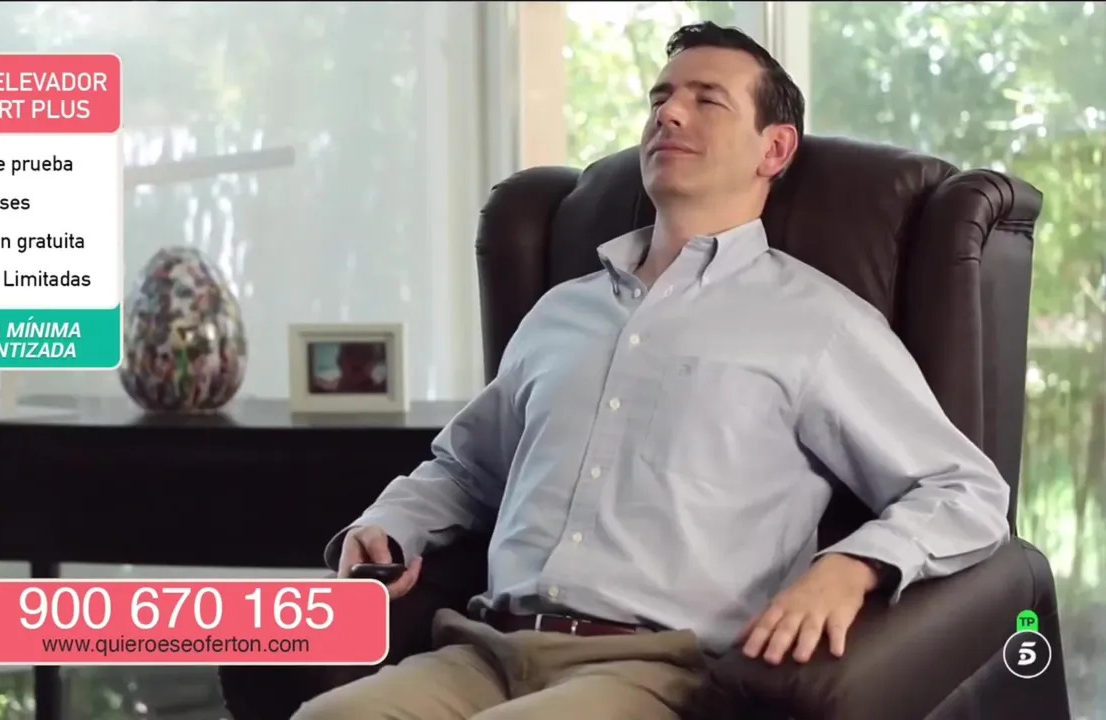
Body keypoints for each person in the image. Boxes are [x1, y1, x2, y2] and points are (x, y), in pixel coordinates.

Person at [294, 21, 1010, 720]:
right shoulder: (560, 311)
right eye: (660, 97)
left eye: (707, 99)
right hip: (481, 653)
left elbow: (965, 489)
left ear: (775, 148)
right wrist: (393, 521)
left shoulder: (820, 324)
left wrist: (853, 567)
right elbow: (466, 467)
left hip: (653, 673)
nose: (668, 113)